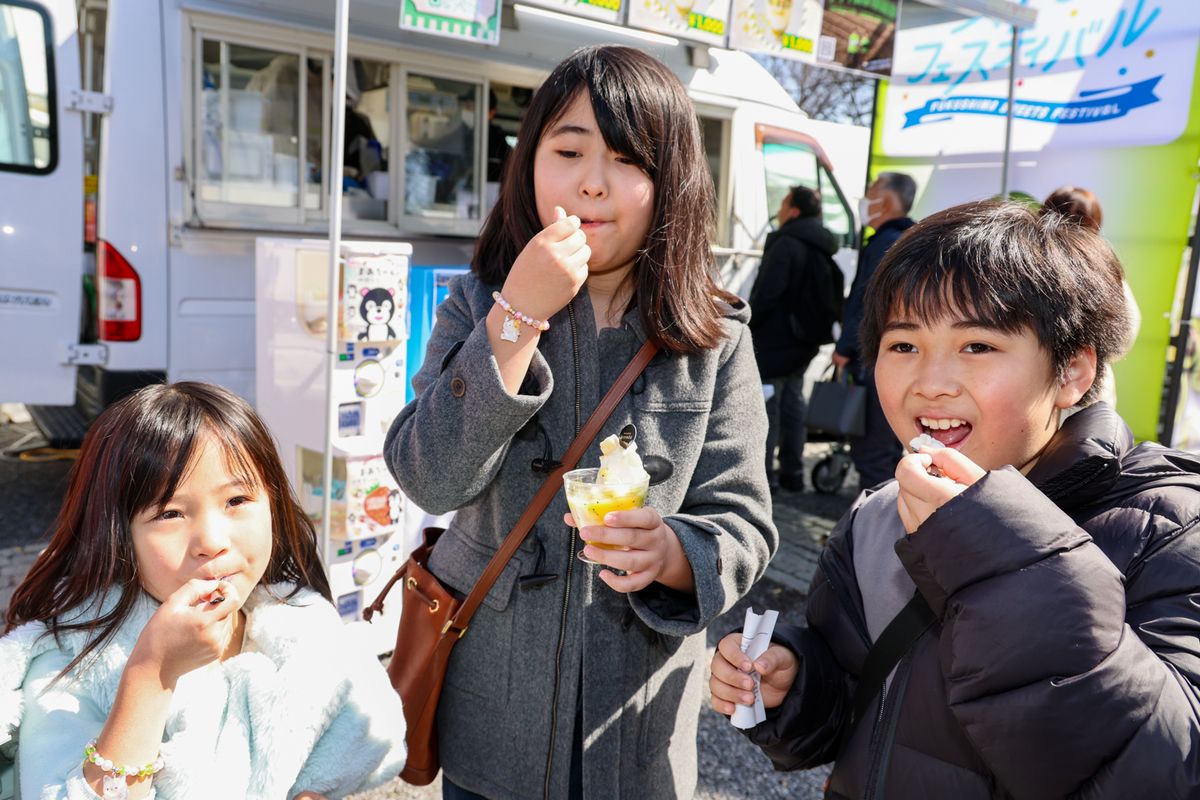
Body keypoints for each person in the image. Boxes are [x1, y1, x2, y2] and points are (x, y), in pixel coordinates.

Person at [385, 45, 777, 800]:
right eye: (568, 150)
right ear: (530, 165)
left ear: (672, 185)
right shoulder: (479, 303)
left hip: (634, 729)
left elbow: (747, 521)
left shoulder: (715, 337)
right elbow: (427, 477)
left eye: (629, 159)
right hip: (488, 717)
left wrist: (671, 551)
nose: (593, 180)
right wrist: (516, 318)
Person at [710, 200, 1200, 798]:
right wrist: (795, 681)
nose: (930, 382)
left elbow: (1168, 766)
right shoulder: (876, 516)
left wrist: (995, 550)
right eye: (903, 346)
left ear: (1071, 372)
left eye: (977, 347)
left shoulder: (1168, 525)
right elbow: (859, 706)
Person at [0, 382, 407, 800]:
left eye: (236, 500)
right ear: (115, 534)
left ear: (273, 502)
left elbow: (372, 736)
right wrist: (151, 673)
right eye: (170, 513)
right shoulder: (72, 659)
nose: (212, 541)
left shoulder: (301, 621)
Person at [748, 184, 842, 492]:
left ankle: (764, 477)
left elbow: (767, 293)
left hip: (775, 339)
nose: (779, 210)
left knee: (768, 405)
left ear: (794, 211)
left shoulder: (786, 242)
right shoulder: (822, 245)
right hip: (806, 341)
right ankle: (794, 472)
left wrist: (749, 323)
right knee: (793, 403)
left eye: (783, 203)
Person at [833, 172, 917, 490]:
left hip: (873, 358)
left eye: (871, 191)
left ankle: (873, 526)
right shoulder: (904, 239)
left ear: (887, 199)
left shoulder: (887, 242)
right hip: (886, 356)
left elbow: (867, 304)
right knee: (880, 446)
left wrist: (845, 347)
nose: (866, 199)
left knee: (872, 449)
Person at [1039, 185, 1141, 409]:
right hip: (1089, 389)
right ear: (1094, 222)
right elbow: (1126, 331)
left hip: (1037, 386)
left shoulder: (1029, 260)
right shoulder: (1101, 264)